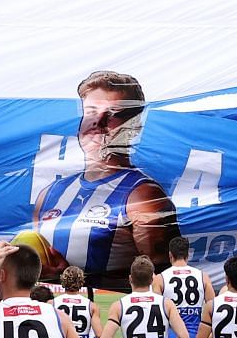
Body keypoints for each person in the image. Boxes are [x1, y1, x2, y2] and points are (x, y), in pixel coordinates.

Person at [30, 70, 178, 292]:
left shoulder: (144, 195)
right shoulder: (50, 193)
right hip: (49, 321)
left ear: (134, 127)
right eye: (91, 112)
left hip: (108, 319)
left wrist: (71, 280)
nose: (98, 123)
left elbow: (162, 280)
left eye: (113, 114)